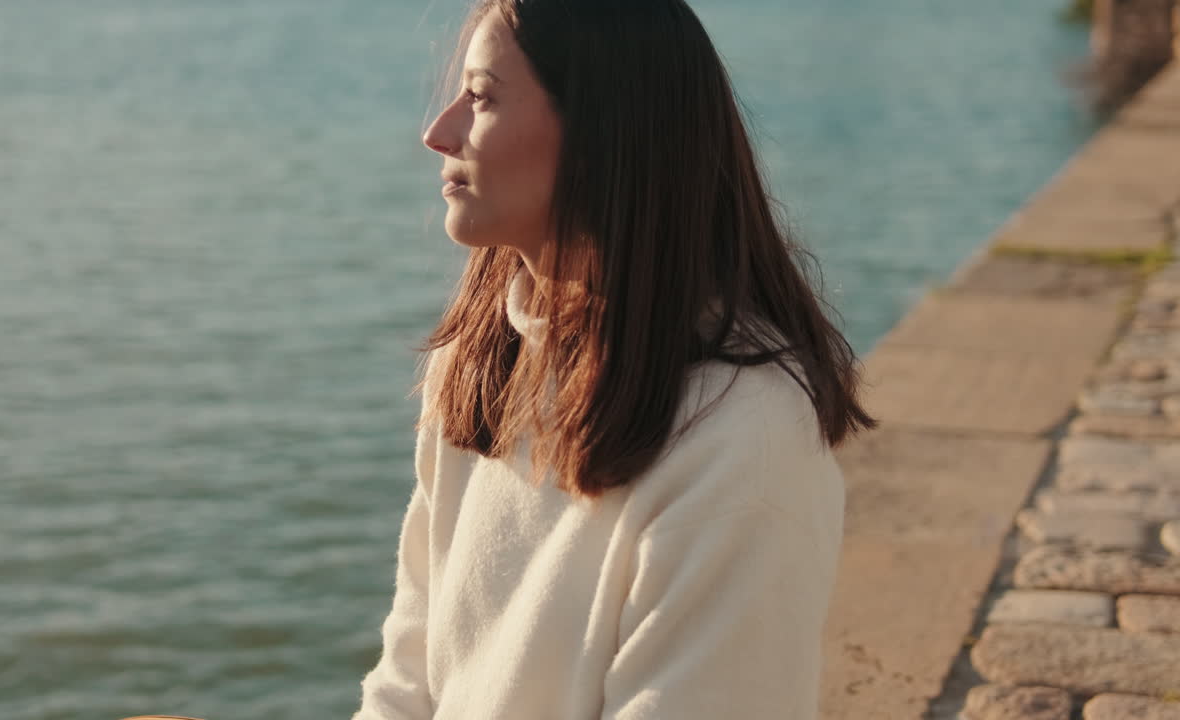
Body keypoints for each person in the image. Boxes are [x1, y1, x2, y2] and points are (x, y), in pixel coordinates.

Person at [352, 0, 876, 717]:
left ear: (602, 130)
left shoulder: (743, 437)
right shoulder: (480, 364)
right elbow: (407, 681)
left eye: (480, 98)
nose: (438, 134)